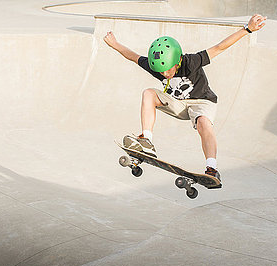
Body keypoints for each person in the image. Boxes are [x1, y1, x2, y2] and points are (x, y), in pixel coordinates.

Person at [104, 14, 267, 183]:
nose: (165, 74)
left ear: (177, 61)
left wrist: (247, 29)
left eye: (168, 70)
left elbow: (219, 47)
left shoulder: (191, 61)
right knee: (148, 93)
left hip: (202, 102)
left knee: (203, 123)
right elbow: (132, 56)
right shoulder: (157, 66)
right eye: (161, 72)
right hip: (179, 105)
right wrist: (115, 44)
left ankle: (212, 168)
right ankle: (147, 141)